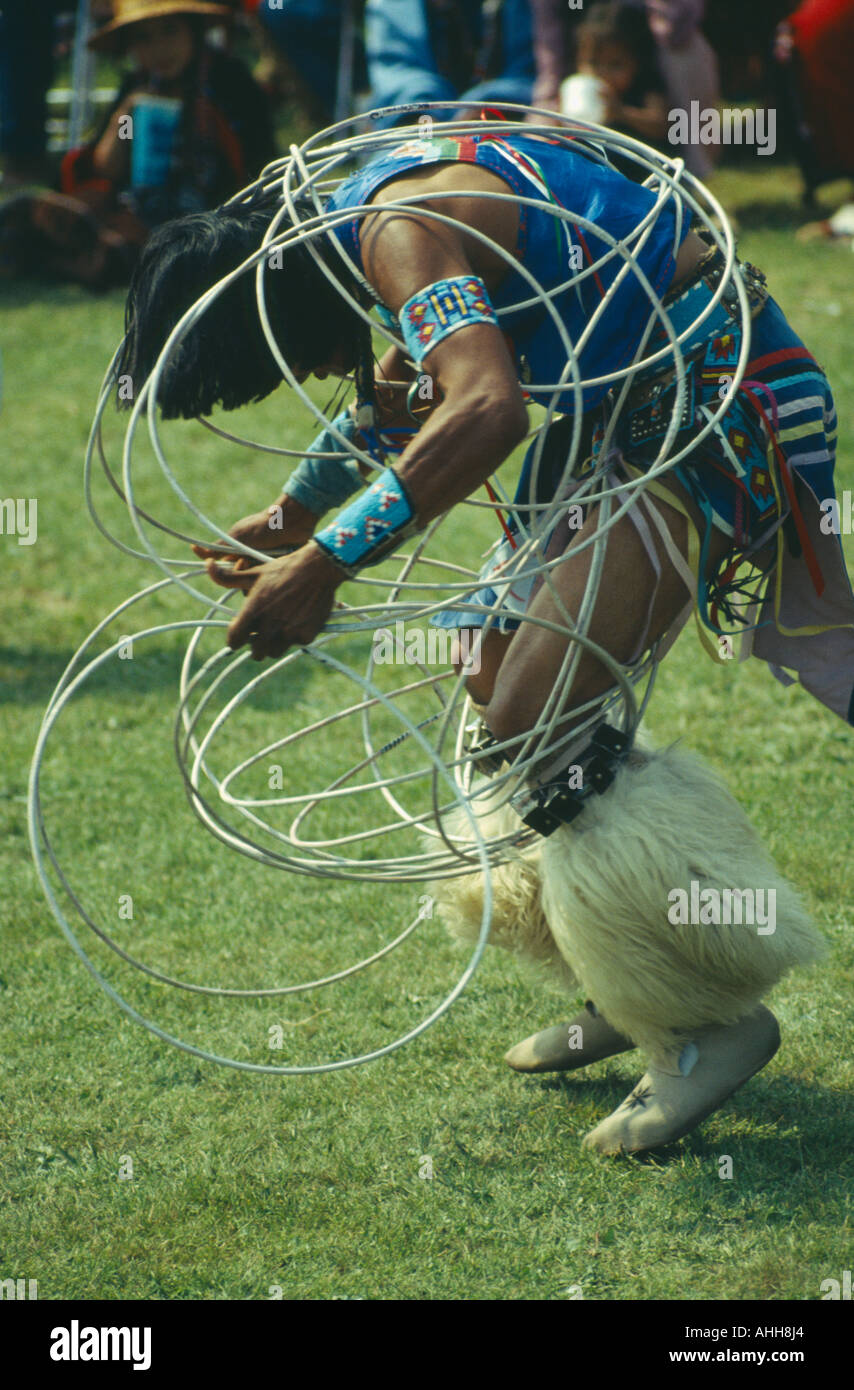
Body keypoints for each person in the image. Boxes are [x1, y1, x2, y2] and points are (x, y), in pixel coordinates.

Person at [116, 122, 852, 1152]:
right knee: (496, 675)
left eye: (300, 352)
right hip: (621, 411)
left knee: (532, 714)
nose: (322, 366)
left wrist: (325, 564)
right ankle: (622, 978)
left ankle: (700, 1025)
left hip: (714, 395)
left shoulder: (394, 233)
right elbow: (408, 389)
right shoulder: (357, 227)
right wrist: (295, 516)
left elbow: (486, 405)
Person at [0, 0, 274, 289]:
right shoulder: (137, 85)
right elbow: (106, 168)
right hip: (133, 208)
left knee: (154, 245)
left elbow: (254, 169)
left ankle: (102, 258)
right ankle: (68, 251)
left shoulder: (230, 81)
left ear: (193, 31)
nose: (159, 48)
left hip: (212, 213)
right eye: (144, 38)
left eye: (169, 32)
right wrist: (127, 116)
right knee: (43, 211)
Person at [365, 0, 535, 121]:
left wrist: (480, 112)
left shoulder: (522, 7)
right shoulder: (393, 6)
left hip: (505, 125)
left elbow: (528, 75)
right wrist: (426, 122)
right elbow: (398, 76)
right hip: (415, 126)